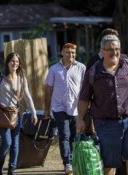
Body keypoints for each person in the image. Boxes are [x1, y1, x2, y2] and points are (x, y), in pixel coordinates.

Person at [77, 34, 128, 175]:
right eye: (110, 49)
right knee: (109, 162)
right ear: (102, 51)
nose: (114, 52)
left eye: (117, 48)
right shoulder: (93, 71)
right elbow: (84, 98)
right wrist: (80, 118)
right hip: (106, 124)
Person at [0, 52, 38, 175]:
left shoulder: (21, 78)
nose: (15, 63)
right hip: (2, 114)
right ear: (7, 63)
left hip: (15, 114)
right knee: (7, 142)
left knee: (15, 143)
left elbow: (28, 96)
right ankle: (0, 164)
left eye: (17, 62)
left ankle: (11, 169)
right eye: (12, 61)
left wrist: (33, 113)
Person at [44, 43, 86, 175]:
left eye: (73, 52)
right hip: (59, 107)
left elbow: (85, 89)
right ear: (62, 52)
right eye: (68, 52)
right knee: (64, 135)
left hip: (75, 108)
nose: (70, 55)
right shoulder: (54, 69)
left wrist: (87, 107)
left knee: (73, 136)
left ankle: (73, 161)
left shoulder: (81, 68)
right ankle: (67, 163)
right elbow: (48, 89)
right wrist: (47, 109)